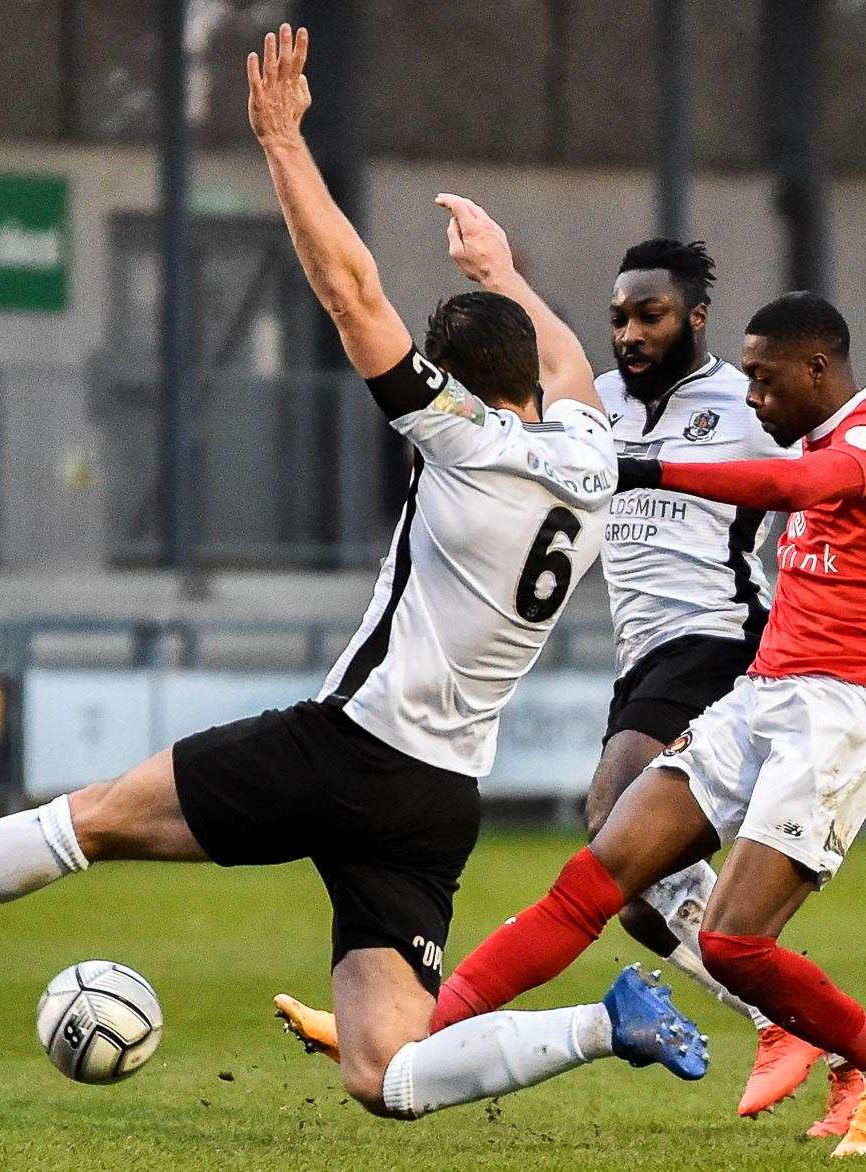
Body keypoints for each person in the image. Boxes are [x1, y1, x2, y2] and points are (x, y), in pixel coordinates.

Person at [0, 24, 709, 1119]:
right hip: (436, 796)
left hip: (347, 749)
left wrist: (281, 144)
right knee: (384, 1072)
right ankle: (606, 1022)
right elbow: (561, 359)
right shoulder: (588, 448)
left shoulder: (465, 436)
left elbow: (352, 293)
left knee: (88, 821)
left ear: (453, 385)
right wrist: (503, 272)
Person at [407, 292, 866, 1157]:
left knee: (732, 942)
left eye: (763, 378)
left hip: (834, 715)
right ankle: (415, 1034)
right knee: (595, 876)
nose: (752, 398)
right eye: (744, 378)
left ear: (816, 367)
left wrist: (651, 470)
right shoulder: (841, 438)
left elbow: (799, 486)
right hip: (761, 694)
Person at [275, 234, 831, 1123]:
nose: (628, 334)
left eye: (649, 316)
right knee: (640, 906)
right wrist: (497, 280)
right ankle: (800, 1020)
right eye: (616, 318)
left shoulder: (742, 401)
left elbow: (831, 474)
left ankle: (781, 1018)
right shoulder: (594, 407)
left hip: (721, 637)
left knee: (609, 822)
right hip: (641, 659)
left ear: (694, 319)